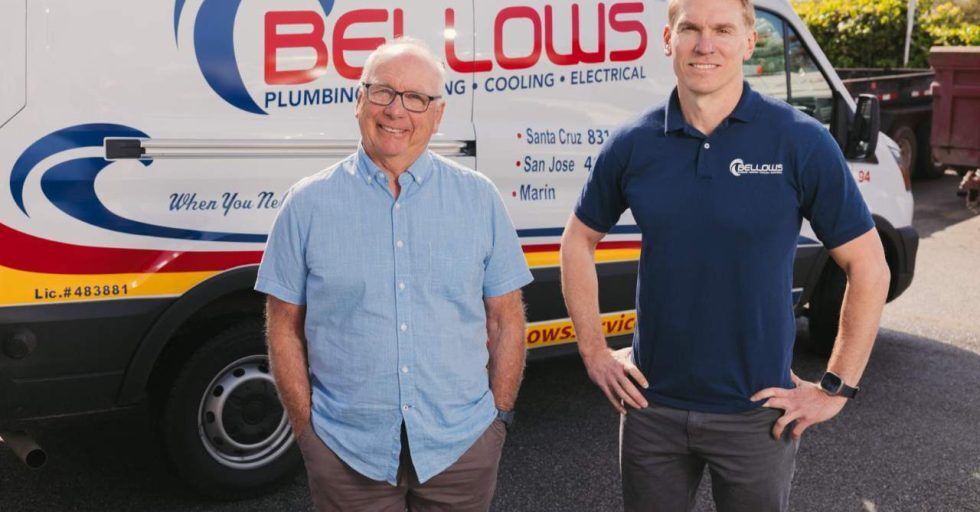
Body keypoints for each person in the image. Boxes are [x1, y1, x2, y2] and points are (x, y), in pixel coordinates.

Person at [559, 0, 891, 510]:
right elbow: (577, 241)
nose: (705, 44)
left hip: (757, 416)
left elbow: (869, 267)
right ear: (668, 39)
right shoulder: (633, 143)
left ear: (749, 42)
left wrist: (833, 388)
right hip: (652, 411)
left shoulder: (800, 141)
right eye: (689, 28)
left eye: (722, 29)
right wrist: (594, 352)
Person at [256, 38, 532, 512]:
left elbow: (507, 319)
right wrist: (307, 431)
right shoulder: (306, 205)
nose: (396, 110)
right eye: (383, 92)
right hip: (346, 453)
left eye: (416, 98)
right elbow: (284, 325)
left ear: (438, 114)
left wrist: (497, 420)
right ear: (359, 100)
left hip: (461, 447)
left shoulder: (479, 199)